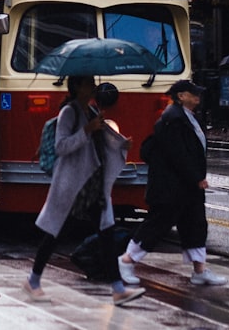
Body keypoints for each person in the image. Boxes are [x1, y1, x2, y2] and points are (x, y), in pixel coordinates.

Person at [24, 75, 145, 306]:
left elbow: (99, 143)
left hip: (92, 183)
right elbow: (62, 146)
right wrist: (87, 129)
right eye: (89, 82)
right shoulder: (69, 112)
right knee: (54, 234)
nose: (93, 86)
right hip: (74, 184)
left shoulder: (89, 110)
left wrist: (121, 144)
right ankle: (33, 280)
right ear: (77, 86)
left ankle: (118, 289)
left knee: (106, 234)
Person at [118, 80, 227, 287]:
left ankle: (200, 270)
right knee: (158, 224)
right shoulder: (173, 119)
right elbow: (178, 154)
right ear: (181, 96)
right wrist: (196, 177)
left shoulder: (188, 117)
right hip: (172, 186)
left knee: (195, 225)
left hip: (185, 186)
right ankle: (126, 260)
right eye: (193, 93)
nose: (197, 96)